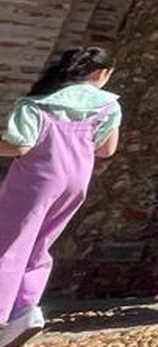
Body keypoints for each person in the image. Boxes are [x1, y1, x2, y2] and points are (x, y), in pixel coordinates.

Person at [0, 48, 120, 346]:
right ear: (101, 74)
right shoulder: (109, 105)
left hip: (35, 182)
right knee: (42, 244)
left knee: (10, 244)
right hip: (76, 181)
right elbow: (106, 150)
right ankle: (25, 311)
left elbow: (20, 146)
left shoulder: (36, 104)